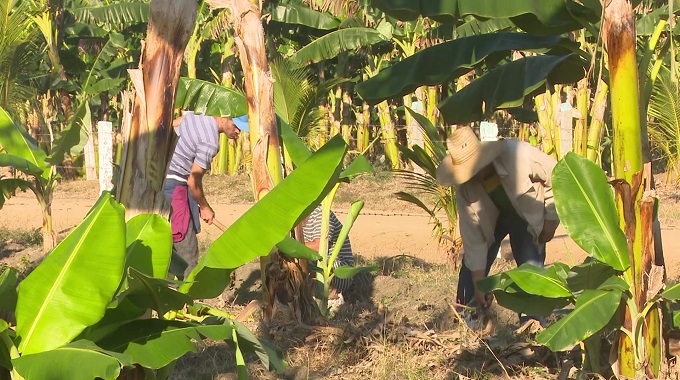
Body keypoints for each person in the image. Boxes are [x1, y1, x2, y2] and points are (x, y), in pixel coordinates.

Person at [435, 126, 560, 315]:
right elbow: (473, 241)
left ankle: (533, 329)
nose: (471, 176)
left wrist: (551, 220)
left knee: (531, 272)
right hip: (490, 225)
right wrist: (479, 285)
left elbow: (557, 176)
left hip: (524, 218)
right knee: (470, 277)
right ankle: (465, 319)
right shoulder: (466, 191)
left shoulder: (519, 155)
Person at [163, 111, 249, 278]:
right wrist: (204, 207)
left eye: (242, 129)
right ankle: (184, 297)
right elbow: (193, 182)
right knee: (186, 250)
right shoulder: (210, 142)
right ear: (225, 117)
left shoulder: (198, 114)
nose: (238, 132)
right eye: (236, 126)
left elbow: (173, 123)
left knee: (167, 240)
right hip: (174, 185)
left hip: (160, 178)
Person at [302, 205, 354, 299]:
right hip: (316, 266)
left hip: (338, 270)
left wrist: (290, 246)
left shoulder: (319, 213)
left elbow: (319, 246)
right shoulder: (291, 217)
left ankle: (328, 297)